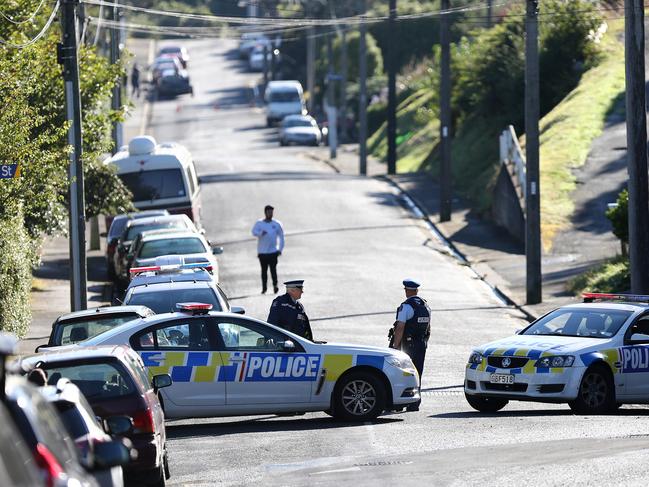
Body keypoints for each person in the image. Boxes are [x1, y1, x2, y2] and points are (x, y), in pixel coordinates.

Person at [389, 279, 431, 411]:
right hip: (421, 344)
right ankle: (415, 403)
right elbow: (428, 327)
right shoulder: (426, 306)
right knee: (418, 371)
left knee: (403, 372)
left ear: (407, 290)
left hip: (407, 344)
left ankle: (401, 402)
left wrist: (395, 346)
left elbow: (400, 327)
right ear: (416, 291)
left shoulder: (406, 306)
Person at [251, 205, 285, 294]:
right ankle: (264, 288)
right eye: (268, 212)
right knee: (264, 271)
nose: (270, 214)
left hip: (273, 251)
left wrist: (280, 249)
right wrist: (261, 233)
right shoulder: (259, 223)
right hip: (262, 252)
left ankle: (275, 285)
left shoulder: (277, 224)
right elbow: (254, 232)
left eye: (271, 212)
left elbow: (281, 237)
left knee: (273, 270)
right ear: (265, 212)